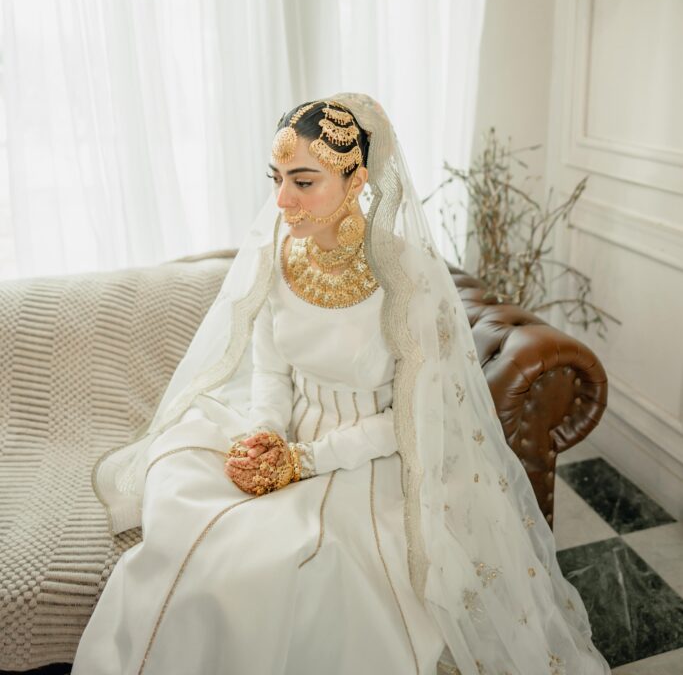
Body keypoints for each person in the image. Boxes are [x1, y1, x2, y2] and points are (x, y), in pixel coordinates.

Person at [73, 93, 611, 675]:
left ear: (356, 180)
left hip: (375, 458)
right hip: (290, 430)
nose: (282, 200)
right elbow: (272, 373)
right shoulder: (279, 257)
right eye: (276, 179)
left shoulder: (407, 278)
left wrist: (305, 460)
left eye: (304, 181)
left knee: (282, 565)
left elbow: (411, 417)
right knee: (185, 504)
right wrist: (264, 436)